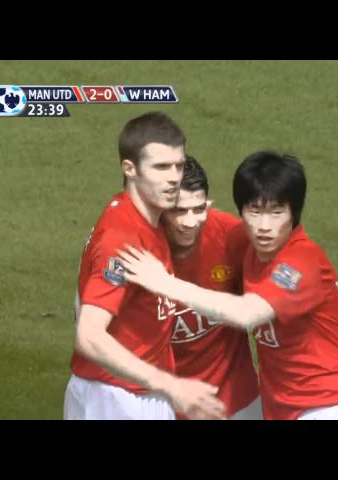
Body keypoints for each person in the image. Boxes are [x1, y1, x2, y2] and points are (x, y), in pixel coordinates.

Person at [117, 151, 338, 420]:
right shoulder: (249, 250)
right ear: (240, 211)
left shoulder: (302, 262)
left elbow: (247, 314)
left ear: (294, 213)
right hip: (284, 411)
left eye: (276, 213)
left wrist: (164, 283)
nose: (264, 226)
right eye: (255, 212)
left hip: (330, 408)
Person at [64, 112, 226, 420]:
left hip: (135, 393)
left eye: (178, 165)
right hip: (115, 397)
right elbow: (89, 335)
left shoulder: (143, 217)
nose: (173, 177)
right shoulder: (122, 238)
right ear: (130, 168)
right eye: (161, 167)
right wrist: (166, 383)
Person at [161, 155, 261, 420]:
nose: (190, 222)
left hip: (238, 404)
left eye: (198, 209)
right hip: (166, 407)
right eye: (179, 211)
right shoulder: (137, 249)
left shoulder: (232, 237)